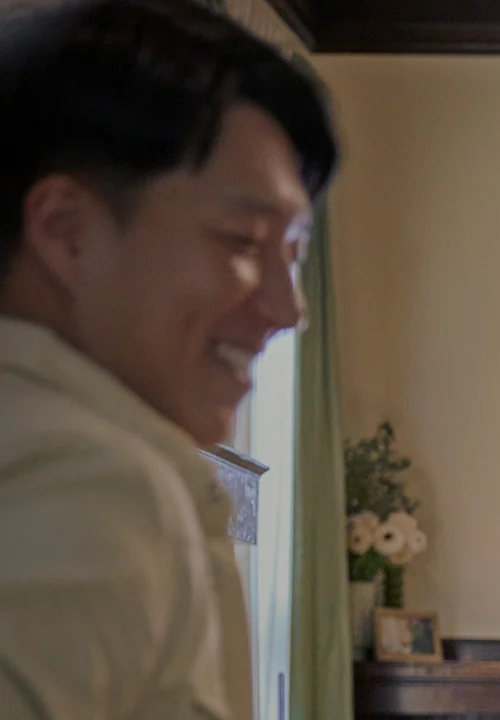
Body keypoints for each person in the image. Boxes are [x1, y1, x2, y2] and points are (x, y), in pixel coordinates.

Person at [0, 1, 338, 718]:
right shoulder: (86, 479)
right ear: (67, 232)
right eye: (244, 243)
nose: (289, 310)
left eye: (295, 254)